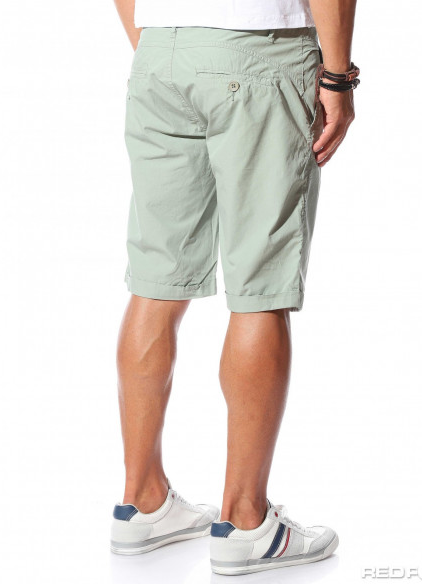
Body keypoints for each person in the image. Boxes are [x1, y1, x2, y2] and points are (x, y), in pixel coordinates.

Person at [110, 0, 358, 575]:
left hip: (161, 50)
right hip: (257, 45)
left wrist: (164, 44)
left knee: (156, 280)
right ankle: (246, 522)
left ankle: (141, 503)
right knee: (261, 286)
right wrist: (337, 77)